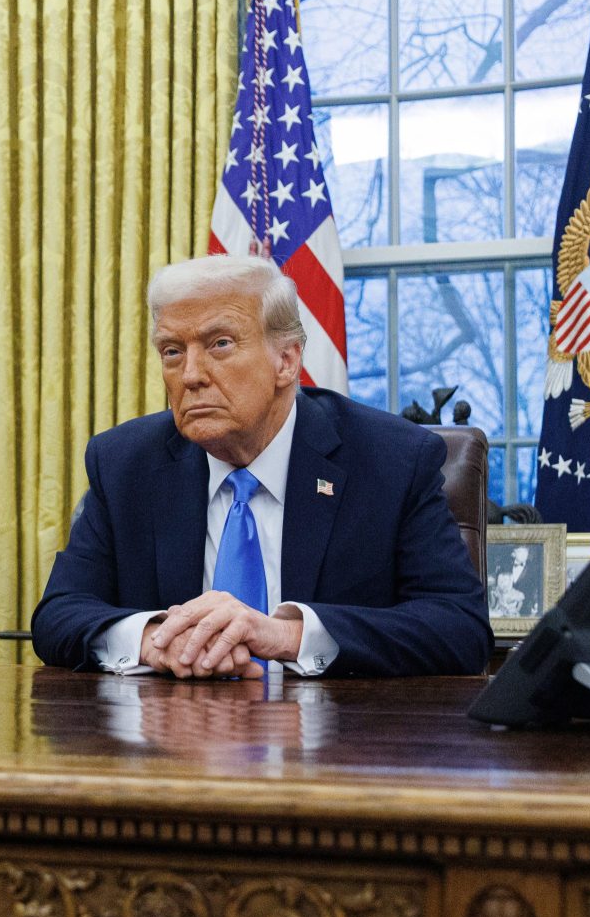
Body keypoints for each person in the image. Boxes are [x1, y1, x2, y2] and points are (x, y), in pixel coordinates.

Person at [31, 254, 491, 678]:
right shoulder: (125, 463)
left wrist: (284, 635)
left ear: (286, 361)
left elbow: (460, 628)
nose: (190, 374)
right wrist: (153, 641)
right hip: (174, 749)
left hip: (335, 749)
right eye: (172, 351)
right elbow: (59, 614)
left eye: (220, 344)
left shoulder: (391, 460)